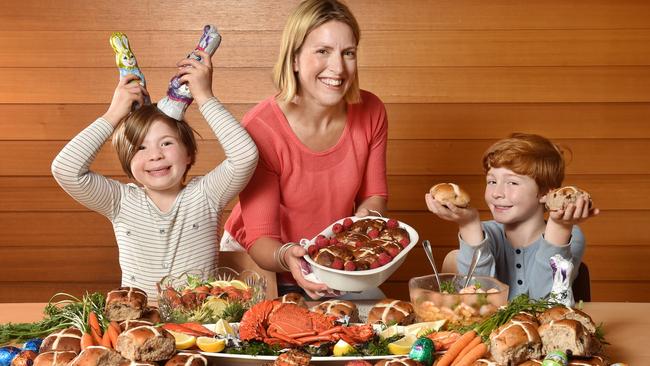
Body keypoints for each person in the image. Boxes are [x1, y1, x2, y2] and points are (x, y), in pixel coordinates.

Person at [51, 50, 258, 298]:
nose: (155, 155)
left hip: (201, 326)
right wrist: (113, 114)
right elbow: (65, 169)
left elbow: (245, 156)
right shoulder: (119, 201)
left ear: (189, 153)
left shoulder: (206, 195)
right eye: (140, 147)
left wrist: (204, 97)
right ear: (128, 161)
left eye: (166, 143)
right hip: (138, 322)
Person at [222, 0, 388, 298]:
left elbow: (374, 195)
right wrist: (290, 256)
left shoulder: (371, 110)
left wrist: (366, 221)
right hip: (259, 259)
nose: (338, 68)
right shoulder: (262, 128)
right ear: (295, 59)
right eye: (322, 51)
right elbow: (261, 240)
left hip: (328, 259)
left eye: (348, 53)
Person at [425, 133, 599, 300]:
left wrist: (559, 228)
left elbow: (544, 302)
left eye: (512, 182)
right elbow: (480, 300)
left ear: (546, 192)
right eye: (492, 181)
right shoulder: (484, 234)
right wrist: (469, 224)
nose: (497, 193)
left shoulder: (570, 236)